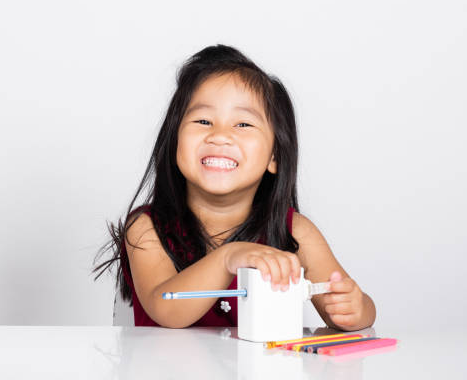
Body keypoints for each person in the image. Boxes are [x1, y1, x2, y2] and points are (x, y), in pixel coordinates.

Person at [92, 44, 376, 330]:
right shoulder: (146, 227)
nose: (220, 136)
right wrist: (228, 257)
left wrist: (353, 308)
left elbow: (360, 309)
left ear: (274, 156)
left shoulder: (295, 231)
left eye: (242, 124)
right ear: (175, 140)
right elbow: (165, 309)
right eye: (203, 121)